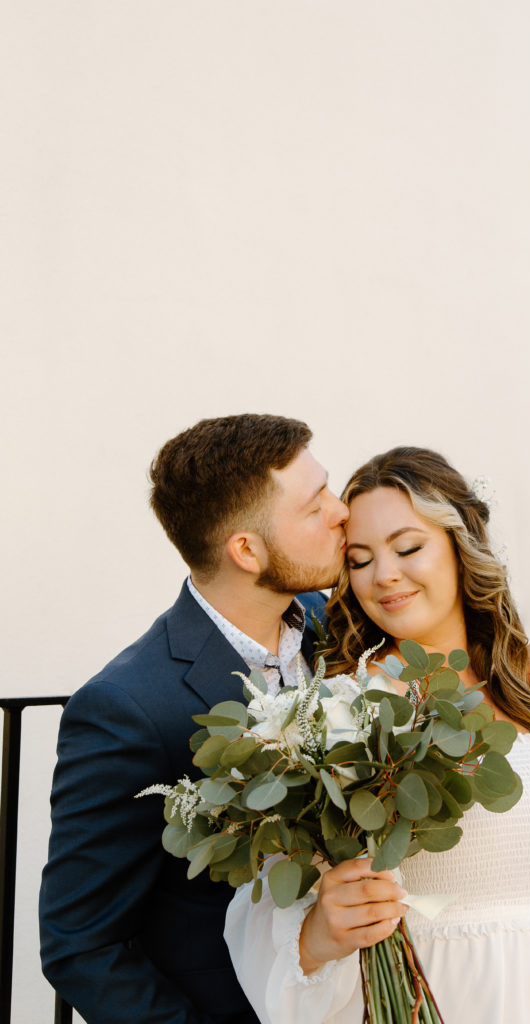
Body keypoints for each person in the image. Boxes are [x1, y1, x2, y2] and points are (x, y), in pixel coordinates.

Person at [224, 445, 530, 1024]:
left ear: (461, 548)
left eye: (408, 548)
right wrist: (319, 934)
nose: (384, 575)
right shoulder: (335, 711)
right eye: (358, 560)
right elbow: (271, 929)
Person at [39, 414, 349, 1024]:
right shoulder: (126, 707)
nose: (342, 512)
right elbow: (81, 943)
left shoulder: (342, 628)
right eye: (316, 507)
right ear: (246, 550)